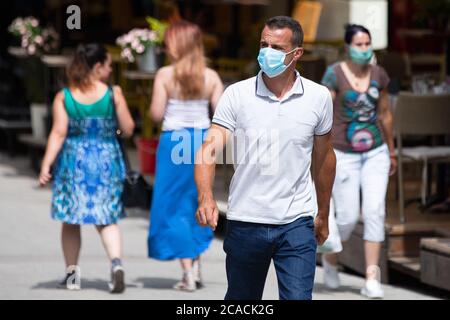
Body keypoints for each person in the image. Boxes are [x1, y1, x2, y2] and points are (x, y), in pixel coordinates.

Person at [194, 16, 336, 300]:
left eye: (276, 46)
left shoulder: (319, 97)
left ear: (296, 54)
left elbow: (324, 158)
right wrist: (205, 196)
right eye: (263, 44)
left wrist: (322, 212)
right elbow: (208, 147)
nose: (266, 52)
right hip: (246, 219)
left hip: (297, 222)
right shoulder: (237, 94)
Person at [39, 43, 135, 293]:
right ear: (98, 67)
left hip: (74, 162)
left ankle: (72, 275)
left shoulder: (65, 96)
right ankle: (116, 265)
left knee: (71, 220)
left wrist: (46, 165)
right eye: (109, 65)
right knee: (107, 218)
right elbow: (128, 129)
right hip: (107, 161)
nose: (111, 69)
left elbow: (58, 133)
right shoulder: (113, 93)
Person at [320, 24, 397, 299]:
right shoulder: (334, 74)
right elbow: (323, 112)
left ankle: (371, 277)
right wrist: (320, 150)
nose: (365, 49)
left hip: (375, 151)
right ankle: (330, 260)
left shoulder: (379, 74)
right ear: (348, 47)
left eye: (368, 44)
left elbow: (385, 113)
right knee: (349, 217)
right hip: (343, 152)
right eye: (359, 44)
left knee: (375, 210)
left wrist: (391, 149)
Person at [147, 20, 224, 292]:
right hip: (202, 141)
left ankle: (188, 272)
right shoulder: (211, 76)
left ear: (177, 45)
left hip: (173, 142)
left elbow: (156, 114)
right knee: (198, 201)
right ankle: (196, 260)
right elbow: (224, 115)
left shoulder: (165, 75)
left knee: (173, 207)